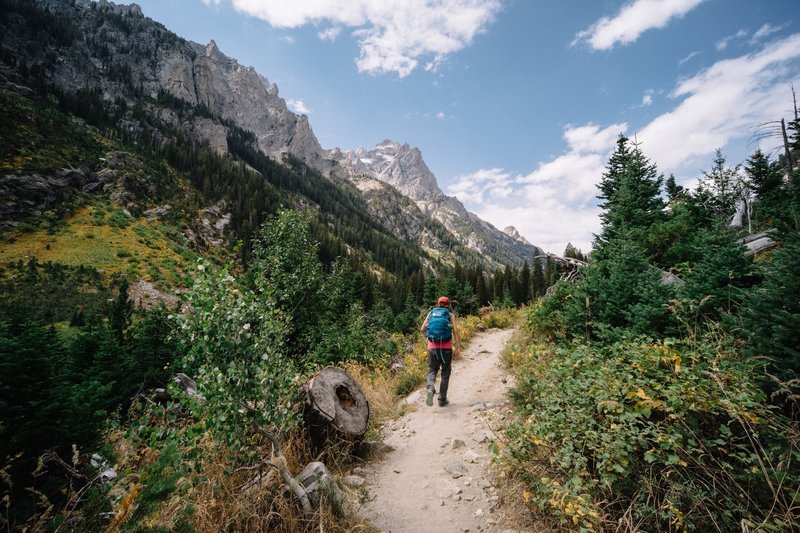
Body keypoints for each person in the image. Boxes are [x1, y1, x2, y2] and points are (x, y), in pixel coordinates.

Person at [419, 296, 460, 407]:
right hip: (446, 347)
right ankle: (442, 399)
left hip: (432, 347)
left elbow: (422, 329)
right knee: (445, 373)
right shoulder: (450, 315)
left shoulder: (431, 313)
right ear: (448, 305)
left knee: (432, 370)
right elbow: (455, 332)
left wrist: (428, 337)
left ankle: (430, 388)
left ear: (437, 304)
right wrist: (458, 348)